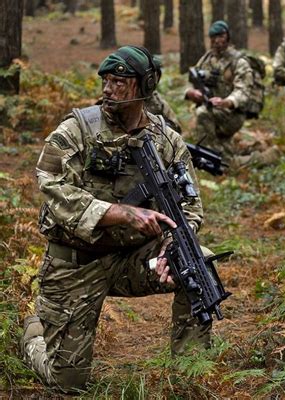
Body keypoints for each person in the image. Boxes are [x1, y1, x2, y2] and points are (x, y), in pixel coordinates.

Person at [22, 45, 213, 393]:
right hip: (76, 265)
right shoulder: (78, 129)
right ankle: (35, 335)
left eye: (120, 82)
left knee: (195, 260)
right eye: (106, 81)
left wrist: (172, 242)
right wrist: (119, 212)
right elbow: (50, 183)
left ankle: (189, 373)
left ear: (145, 86)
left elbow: (191, 205)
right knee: (68, 383)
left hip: (134, 261)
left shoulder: (166, 141)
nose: (108, 89)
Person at [184, 20, 254, 162]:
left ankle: (209, 159)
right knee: (226, 155)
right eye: (214, 37)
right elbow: (192, 81)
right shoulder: (206, 60)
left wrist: (227, 102)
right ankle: (222, 156)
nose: (217, 41)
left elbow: (244, 90)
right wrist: (191, 93)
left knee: (202, 114)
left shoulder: (238, 62)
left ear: (228, 36)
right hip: (211, 109)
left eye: (221, 36)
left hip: (232, 114)